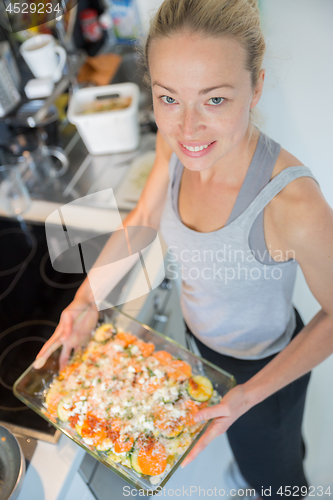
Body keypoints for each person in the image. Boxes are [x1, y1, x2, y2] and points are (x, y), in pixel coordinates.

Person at [35, 0, 333, 497]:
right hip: (201, 348)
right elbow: (145, 220)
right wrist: (85, 301)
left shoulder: (290, 201)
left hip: (262, 370)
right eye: (168, 98)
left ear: (256, 86)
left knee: (276, 477)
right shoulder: (172, 145)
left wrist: (247, 398)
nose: (188, 129)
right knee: (254, 453)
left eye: (214, 100)